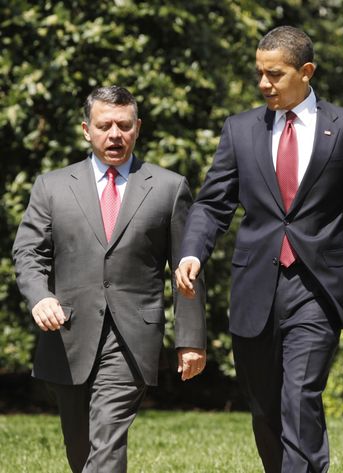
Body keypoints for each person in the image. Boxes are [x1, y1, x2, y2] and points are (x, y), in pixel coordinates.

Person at [175, 26, 343, 473]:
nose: (263, 84)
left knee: (301, 399)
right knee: (266, 411)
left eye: (274, 74)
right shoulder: (240, 130)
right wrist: (193, 250)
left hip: (317, 290)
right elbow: (213, 202)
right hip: (255, 287)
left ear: (306, 72)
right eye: (259, 73)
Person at [12, 85, 206, 473]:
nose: (114, 134)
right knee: (80, 449)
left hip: (132, 338)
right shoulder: (51, 187)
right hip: (67, 335)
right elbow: (28, 253)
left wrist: (191, 339)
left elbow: (187, 268)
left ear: (138, 127)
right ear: (87, 130)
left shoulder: (169, 188)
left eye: (123, 125)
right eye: (104, 126)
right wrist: (39, 297)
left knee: (107, 439)